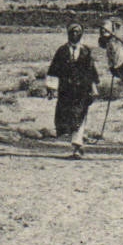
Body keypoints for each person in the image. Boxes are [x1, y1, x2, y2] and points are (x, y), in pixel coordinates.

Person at [46, 23, 99, 159]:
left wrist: (93, 88)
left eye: (77, 32)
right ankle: (74, 142)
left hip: (82, 90)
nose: (74, 34)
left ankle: (77, 146)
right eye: (72, 32)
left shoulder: (86, 51)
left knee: (80, 116)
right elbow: (54, 69)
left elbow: (91, 71)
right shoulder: (62, 51)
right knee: (67, 116)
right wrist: (52, 88)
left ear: (81, 34)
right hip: (66, 90)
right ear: (68, 34)